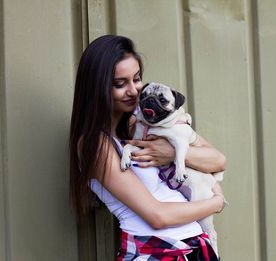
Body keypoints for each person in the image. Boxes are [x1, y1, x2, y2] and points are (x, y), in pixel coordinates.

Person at [69, 35, 227, 260]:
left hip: (194, 248)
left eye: (137, 78)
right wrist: (215, 203)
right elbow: (157, 215)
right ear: (97, 88)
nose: (133, 91)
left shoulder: (146, 123)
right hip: (153, 252)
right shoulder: (96, 144)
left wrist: (172, 153)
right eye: (120, 84)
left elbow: (218, 160)